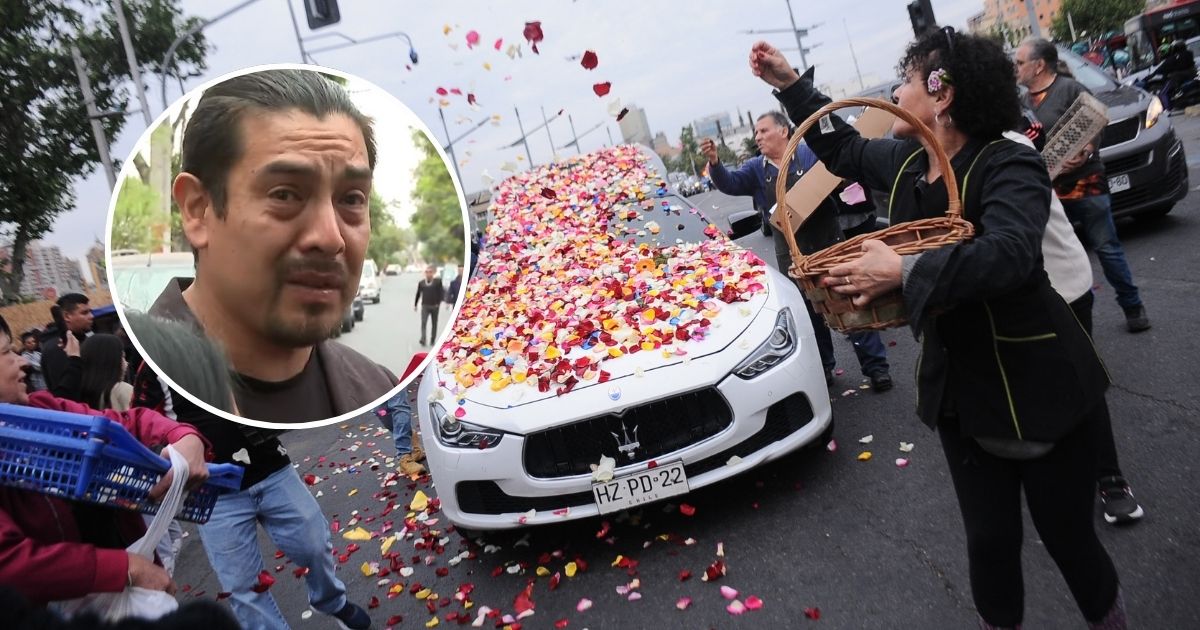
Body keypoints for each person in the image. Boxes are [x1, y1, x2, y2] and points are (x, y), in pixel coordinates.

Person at [749, 28, 1124, 628]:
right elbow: (843, 149)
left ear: (942, 94)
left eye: (906, 82)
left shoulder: (1009, 162)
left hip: (1039, 384)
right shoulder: (906, 164)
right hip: (962, 395)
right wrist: (791, 85)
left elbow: (1009, 254)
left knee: (1069, 541)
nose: (895, 95)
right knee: (989, 545)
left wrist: (903, 269)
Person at [127, 313, 372, 630]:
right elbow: (141, 419)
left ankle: (331, 601)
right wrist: (169, 450)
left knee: (314, 544)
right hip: (213, 493)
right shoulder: (154, 364)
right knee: (243, 585)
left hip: (270, 467)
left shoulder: (242, 339)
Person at [0, 313, 212, 610]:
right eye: (6, 353)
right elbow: (10, 562)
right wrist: (123, 568)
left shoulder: (41, 408)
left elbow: (123, 423)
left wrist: (182, 435)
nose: (22, 361)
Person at [702, 112, 893, 391]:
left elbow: (838, 175)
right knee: (810, 315)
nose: (758, 137)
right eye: (756, 133)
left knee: (849, 303)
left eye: (763, 131)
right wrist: (715, 162)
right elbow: (730, 183)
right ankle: (824, 368)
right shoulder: (756, 168)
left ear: (783, 131)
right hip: (792, 254)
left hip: (829, 243)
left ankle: (876, 368)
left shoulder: (810, 154)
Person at [1015, 120, 1146, 526]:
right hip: (1007, 295)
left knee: (1080, 382)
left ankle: (1110, 479)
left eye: (906, 89)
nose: (898, 95)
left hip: (1060, 286)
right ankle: (1059, 478)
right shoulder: (930, 159)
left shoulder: (1009, 143)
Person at [1015, 38, 1151, 333]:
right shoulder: (1023, 103)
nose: (1016, 68)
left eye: (1020, 62)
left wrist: (1086, 150)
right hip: (1050, 191)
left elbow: (1097, 119)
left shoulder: (1070, 89)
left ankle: (1132, 306)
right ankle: (1070, 317)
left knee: (1107, 247)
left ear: (1039, 66)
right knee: (1058, 256)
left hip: (1086, 182)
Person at [40, 293, 94, 395]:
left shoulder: (86, 340)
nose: (91, 316)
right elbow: (64, 392)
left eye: (90, 312)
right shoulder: (57, 347)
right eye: (84, 313)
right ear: (67, 316)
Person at [79, 334, 133, 412]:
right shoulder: (123, 389)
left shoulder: (74, 391)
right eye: (122, 357)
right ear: (111, 362)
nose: (126, 364)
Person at [414, 264, 445, 346]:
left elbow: (441, 293)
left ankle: (432, 339)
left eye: (430, 272)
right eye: (427, 272)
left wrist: (438, 303)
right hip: (425, 306)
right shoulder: (421, 283)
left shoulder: (437, 282)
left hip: (435, 306)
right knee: (423, 322)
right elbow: (418, 294)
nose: (428, 274)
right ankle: (423, 339)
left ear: (433, 273)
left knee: (434, 323)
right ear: (425, 273)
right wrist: (415, 304)